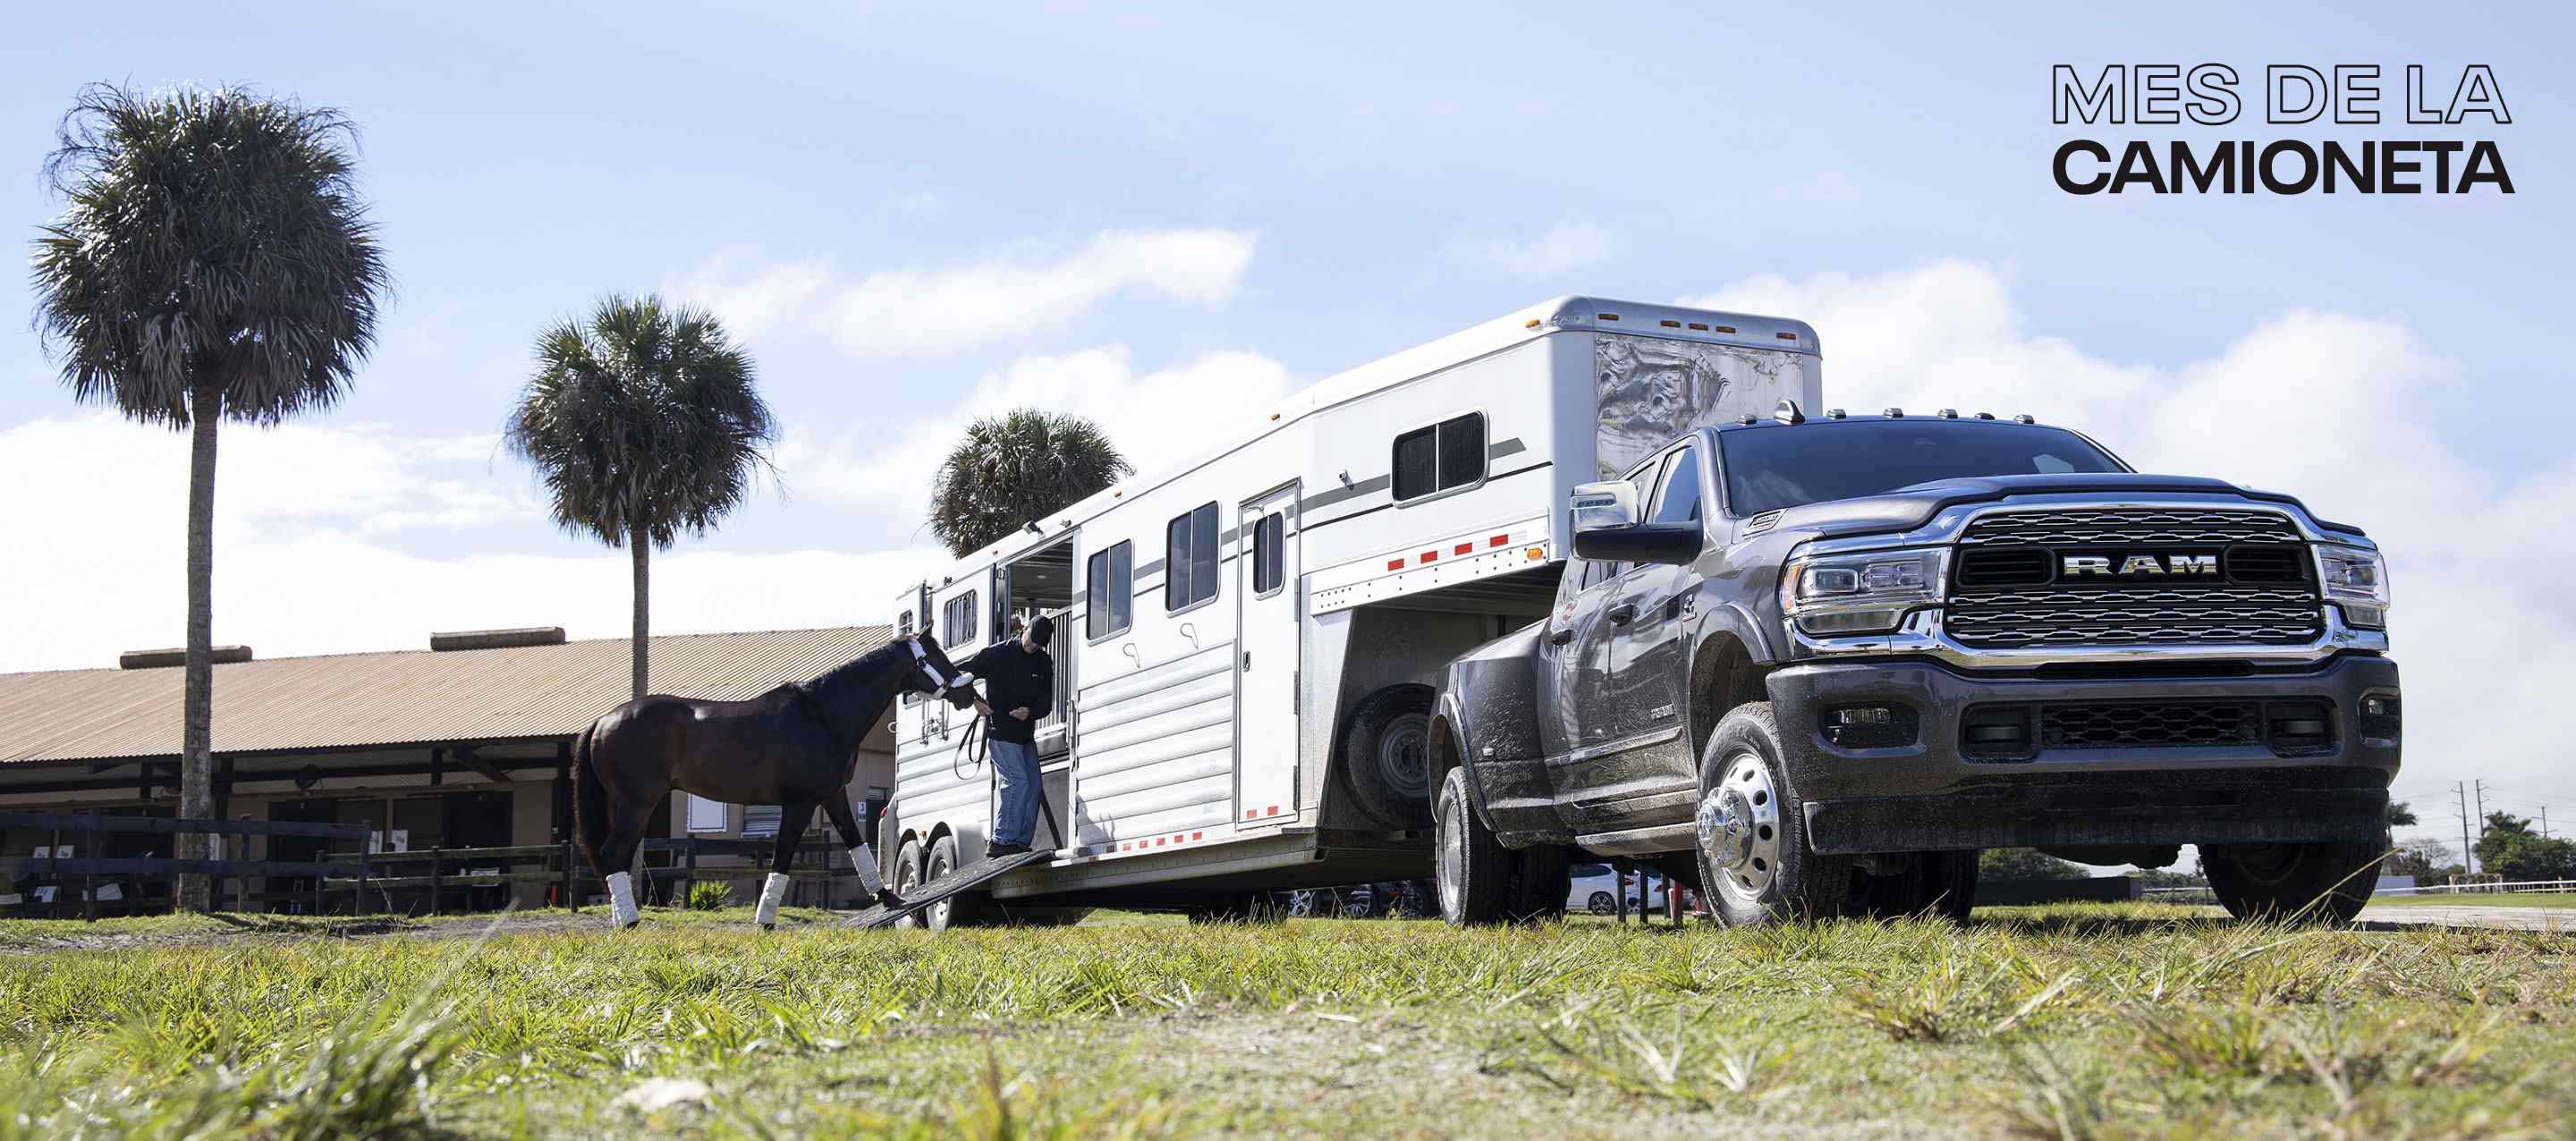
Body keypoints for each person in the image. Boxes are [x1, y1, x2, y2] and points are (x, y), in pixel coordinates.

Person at [966, 613, 1055, 858]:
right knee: (1018, 781)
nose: (1032, 646)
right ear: (1024, 629)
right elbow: (961, 675)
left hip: (1025, 735)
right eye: (1031, 640)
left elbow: (1046, 703)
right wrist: (974, 700)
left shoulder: (1043, 662)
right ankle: (1001, 840)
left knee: (1034, 785)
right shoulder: (996, 654)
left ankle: (1019, 843)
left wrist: (1031, 712)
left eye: (1038, 644)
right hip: (1001, 732)